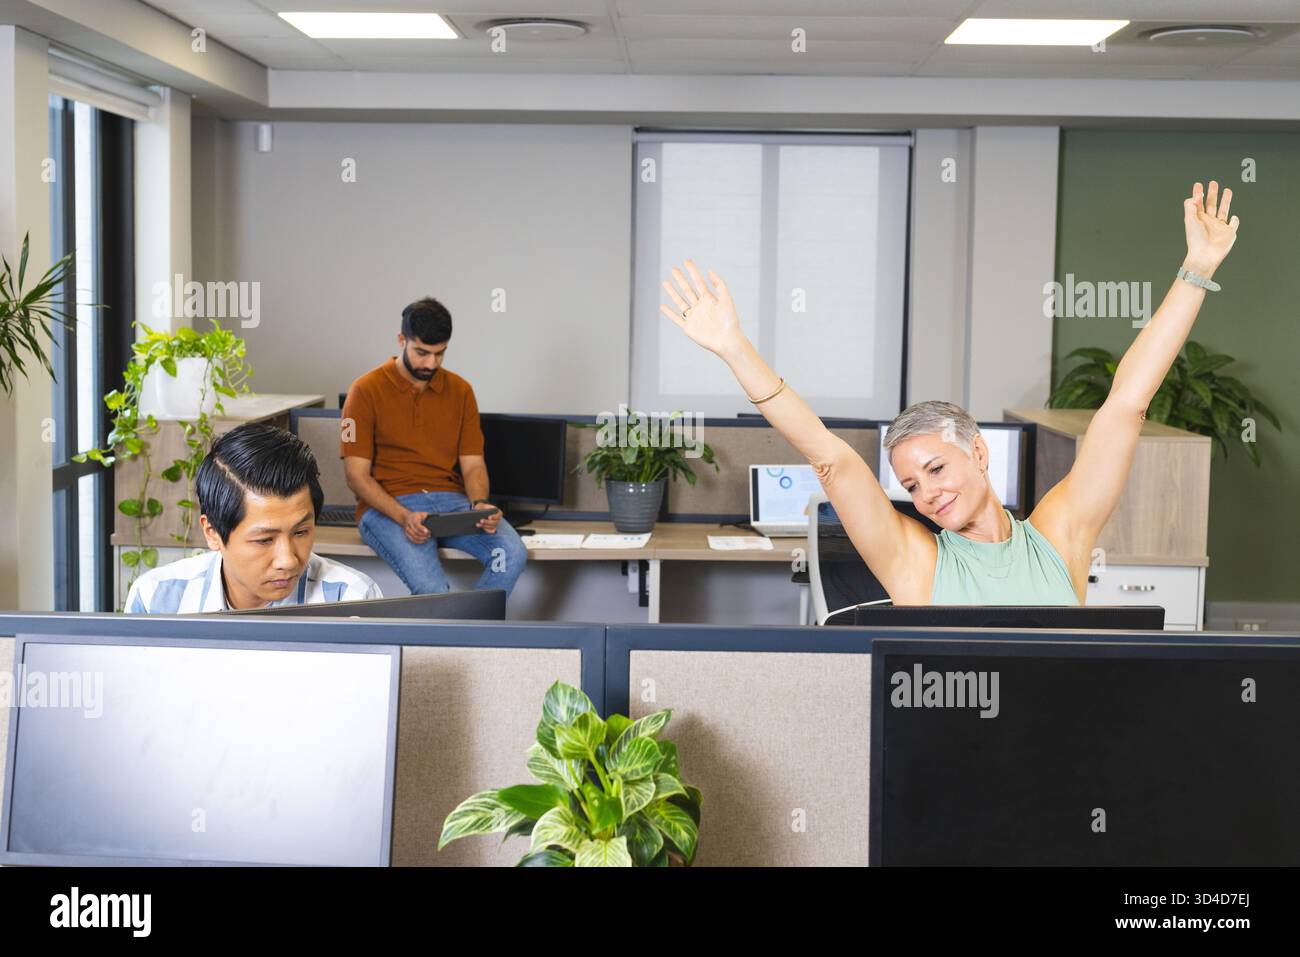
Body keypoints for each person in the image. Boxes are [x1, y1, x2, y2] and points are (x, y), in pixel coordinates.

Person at [661, 181, 1240, 605]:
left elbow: (1127, 404)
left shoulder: (1060, 535)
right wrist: (735, 347)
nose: (927, 494)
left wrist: (1196, 268)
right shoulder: (915, 560)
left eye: (936, 468)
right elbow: (827, 455)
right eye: (911, 485)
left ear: (979, 452)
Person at [341, 296, 527, 596]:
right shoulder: (364, 390)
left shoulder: (461, 391)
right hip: (389, 509)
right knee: (433, 590)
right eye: (422, 352)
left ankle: (466, 638)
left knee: (512, 553)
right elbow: (356, 476)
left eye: (440, 354)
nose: (431, 363)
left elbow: (473, 463)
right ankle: (461, 640)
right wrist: (404, 517)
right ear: (402, 339)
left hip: (451, 505)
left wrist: (479, 504)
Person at [125, 422, 382, 613]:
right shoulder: (157, 599)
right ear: (212, 533)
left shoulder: (352, 600)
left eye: (301, 532)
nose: (288, 561)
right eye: (264, 540)